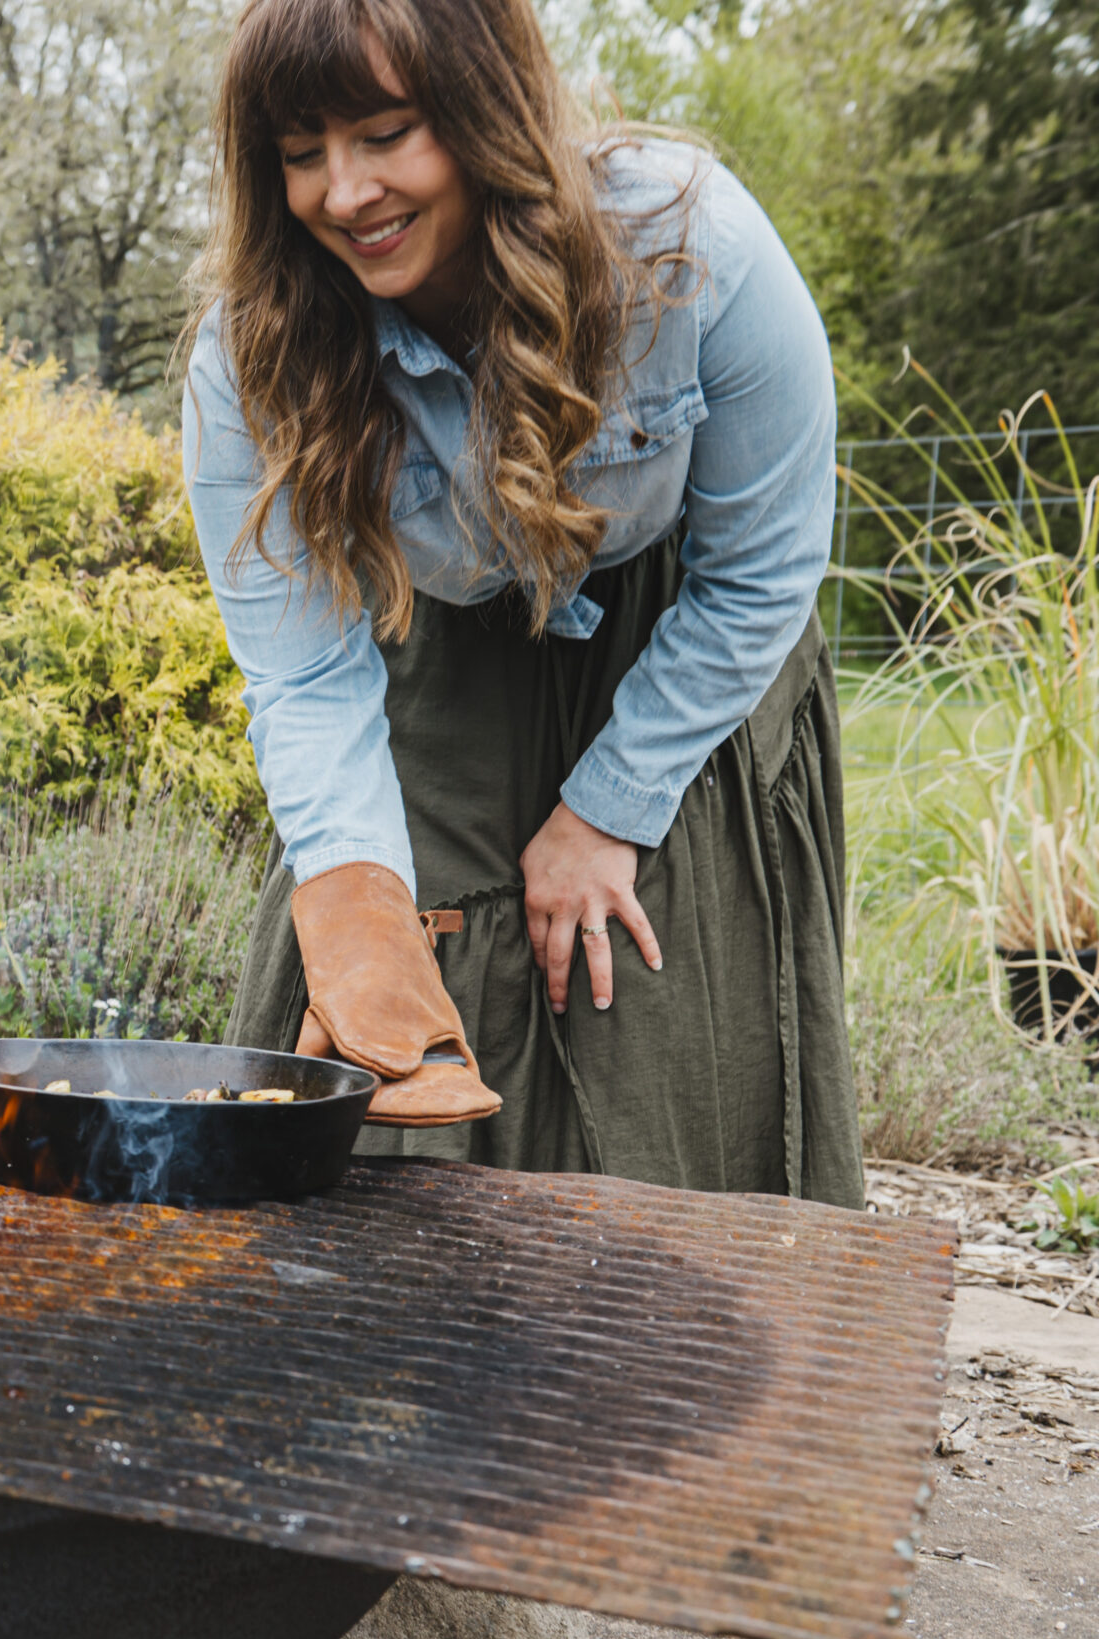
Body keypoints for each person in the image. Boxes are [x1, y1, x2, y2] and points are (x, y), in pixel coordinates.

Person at [184, 0, 862, 1208]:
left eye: (386, 133)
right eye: (300, 153)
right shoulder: (255, 351)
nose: (342, 193)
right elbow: (298, 667)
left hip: (681, 636)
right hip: (429, 645)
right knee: (382, 1025)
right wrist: (354, 900)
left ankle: (666, 1352)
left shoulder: (691, 250)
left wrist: (606, 811)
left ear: (481, 110)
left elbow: (763, 568)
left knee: (643, 999)